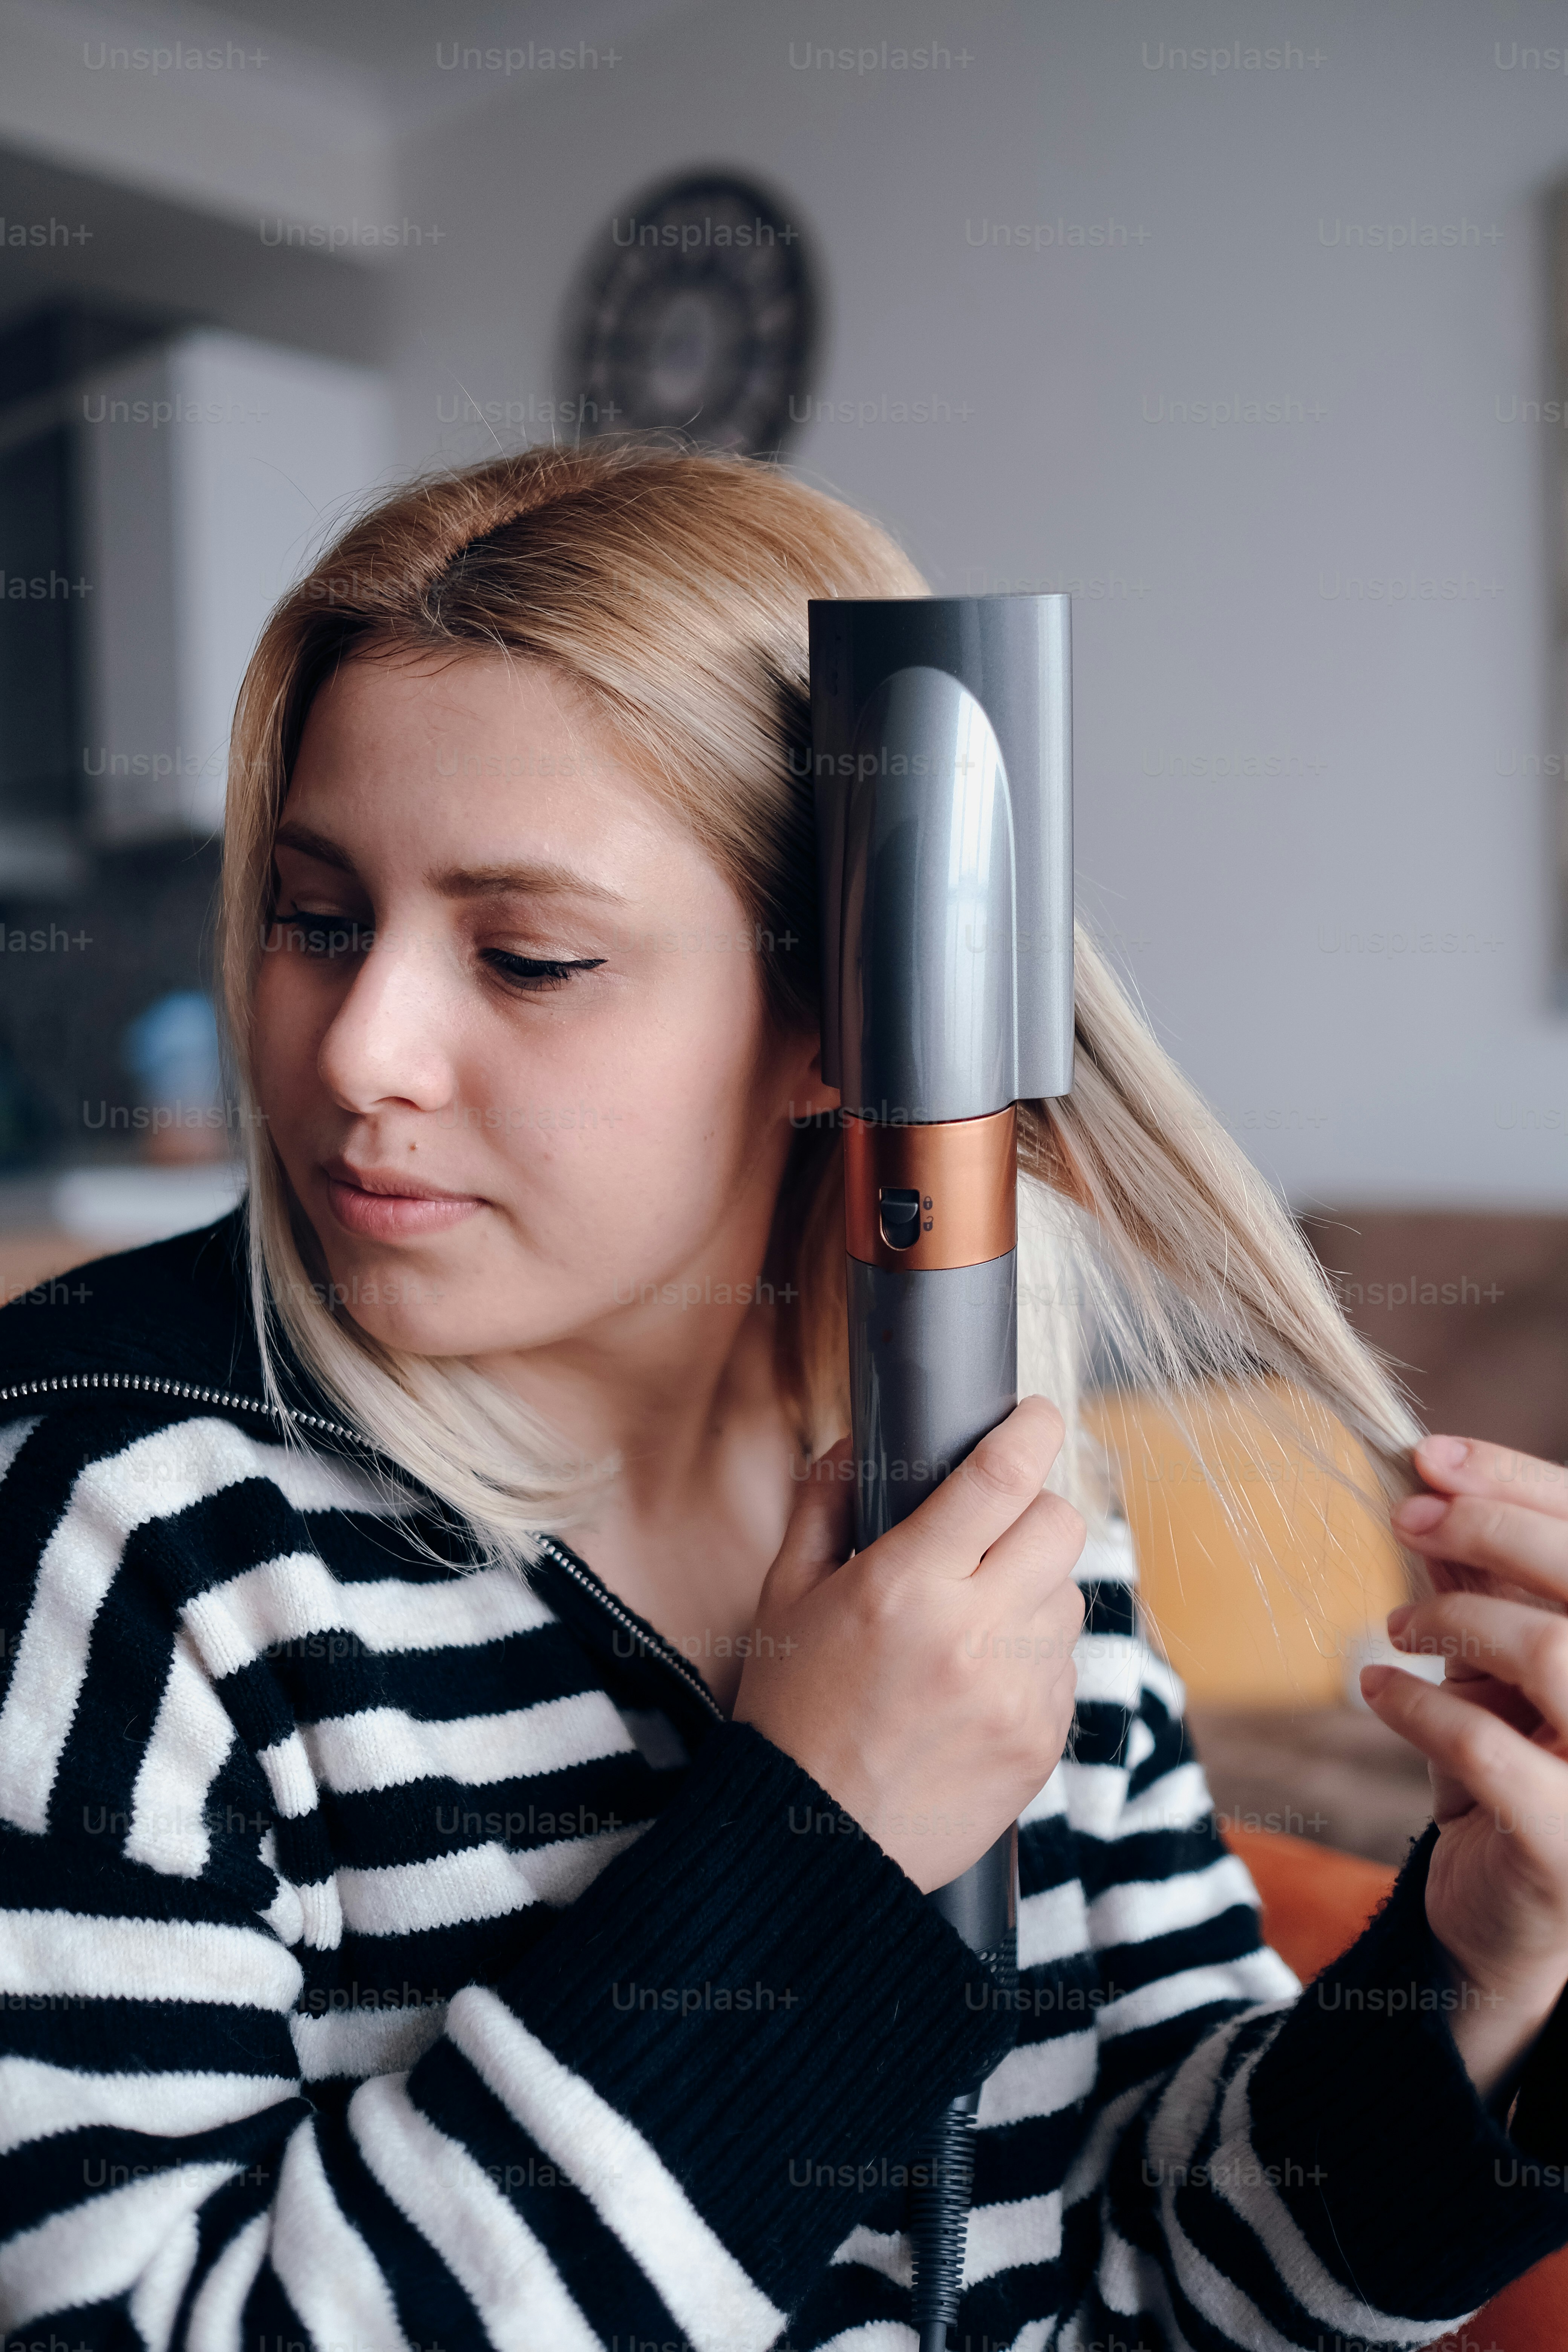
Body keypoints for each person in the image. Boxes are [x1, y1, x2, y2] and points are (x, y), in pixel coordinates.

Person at [1, 441, 1566, 2352]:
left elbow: (1169, 2280)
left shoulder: (995, 1502)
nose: (359, 1049)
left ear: (845, 1015)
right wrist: (815, 1846)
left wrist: (1473, 1977)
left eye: (528, 956)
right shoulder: (106, 1521)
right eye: (318, 918)